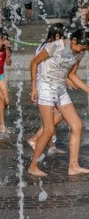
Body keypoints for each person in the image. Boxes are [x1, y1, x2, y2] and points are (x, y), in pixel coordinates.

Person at [28, 28, 89, 177]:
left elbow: (71, 74)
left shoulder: (81, 52)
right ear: (74, 41)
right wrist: (34, 87)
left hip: (60, 88)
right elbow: (34, 63)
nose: (82, 51)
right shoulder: (57, 46)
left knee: (77, 125)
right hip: (45, 87)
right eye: (82, 47)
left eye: (86, 49)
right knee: (49, 130)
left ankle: (73, 166)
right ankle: (33, 166)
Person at [27, 23, 68, 158]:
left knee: (51, 116)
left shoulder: (41, 46)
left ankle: (52, 146)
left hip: (45, 84)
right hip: (45, 85)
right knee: (59, 114)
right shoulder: (51, 48)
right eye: (63, 37)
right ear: (57, 36)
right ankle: (35, 138)